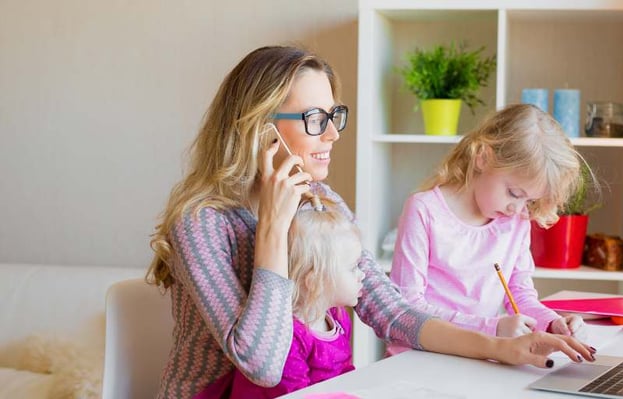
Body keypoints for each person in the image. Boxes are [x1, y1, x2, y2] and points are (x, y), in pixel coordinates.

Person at [146, 46, 595, 399]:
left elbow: (392, 311)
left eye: (333, 116)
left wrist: (503, 347)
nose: (333, 134)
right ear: (259, 128)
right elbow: (262, 367)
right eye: (314, 119)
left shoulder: (322, 202)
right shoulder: (202, 222)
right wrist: (272, 232)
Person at [389, 104, 588, 355]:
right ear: (483, 157)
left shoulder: (516, 221)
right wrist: (491, 328)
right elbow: (407, 308)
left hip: (478, 356)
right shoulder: (424, 210)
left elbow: (520, 296)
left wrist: (552, 322)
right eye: (514, 193)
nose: (517, 209)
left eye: (529, 201)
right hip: (419, 356)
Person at [228, 197, 363, 398]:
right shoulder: (290, 337)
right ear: (314, 281)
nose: (362, 275)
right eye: (353, 268)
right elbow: (294, 395)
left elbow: (345, 376)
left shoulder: (339, 318)